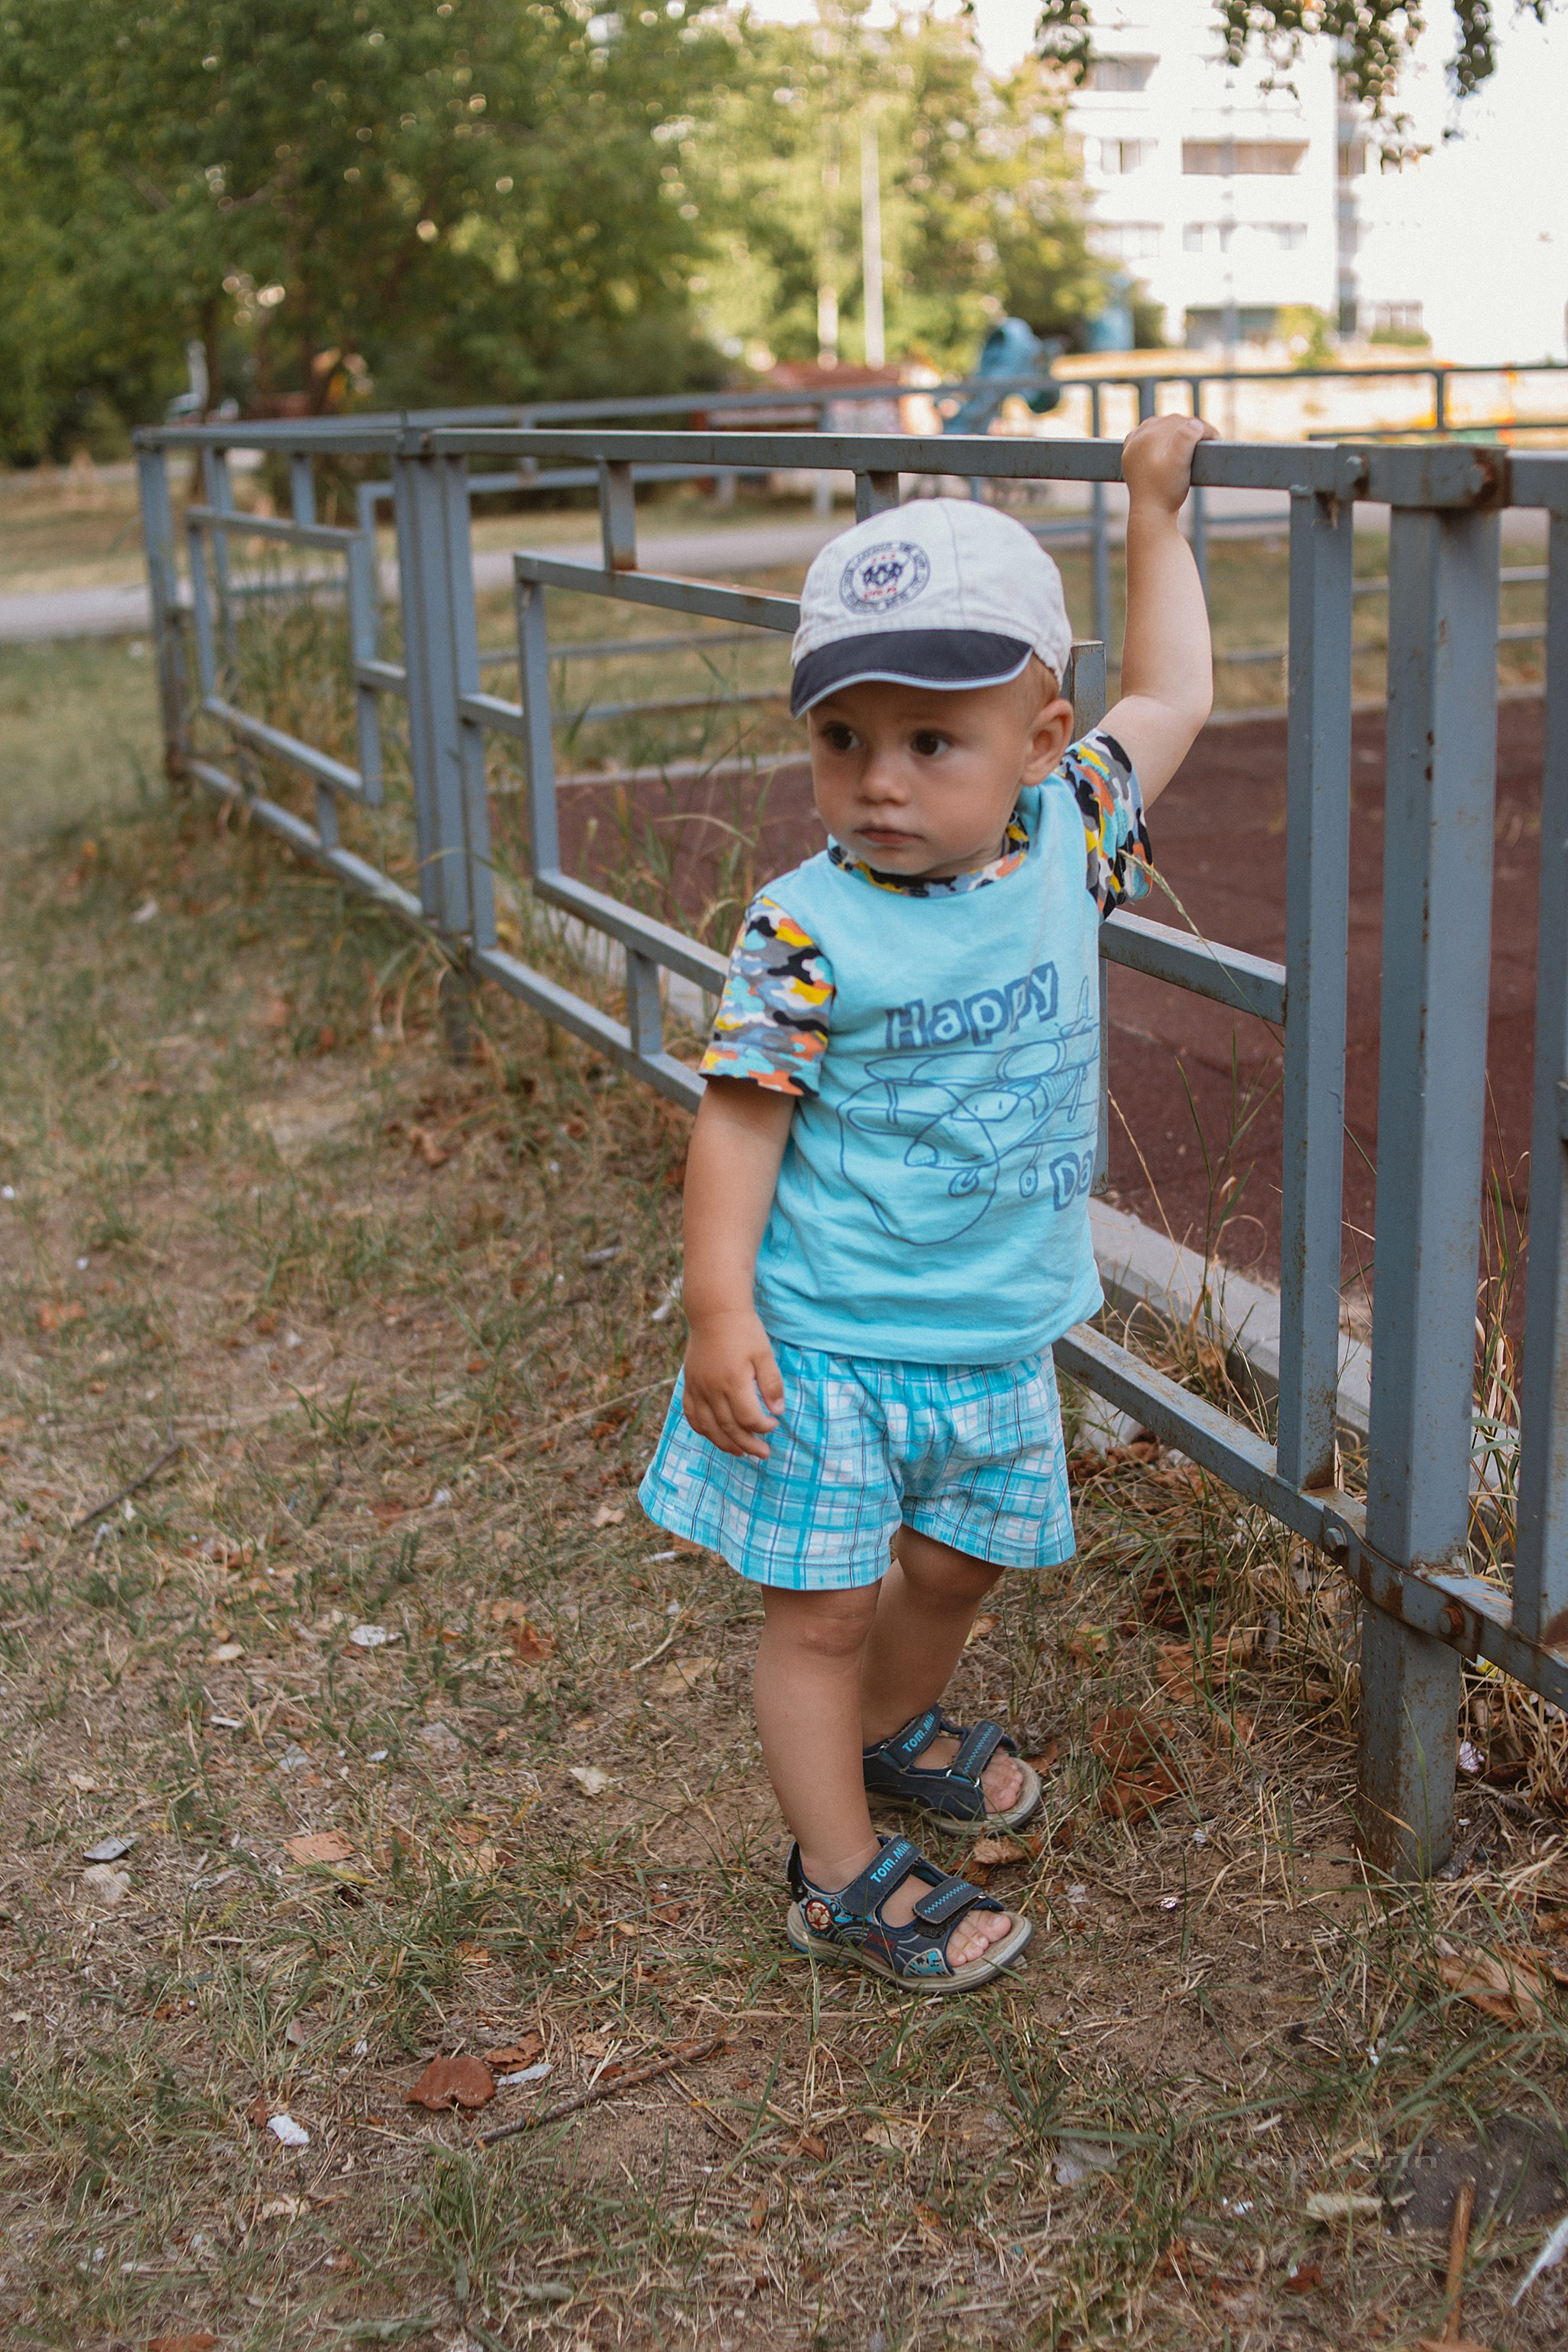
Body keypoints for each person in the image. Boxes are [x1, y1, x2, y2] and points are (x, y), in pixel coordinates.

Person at [639, 413, 1217, 1990]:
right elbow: (742, 1120)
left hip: (995, 1329)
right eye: (843, 741)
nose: (877, 783)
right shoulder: (801, 926)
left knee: (959, 1566)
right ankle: (835, 1873)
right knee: (818, 1612)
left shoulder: (1070, 830)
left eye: (928, 743)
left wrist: (1153, 512)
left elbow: (1173, 693)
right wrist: (720, 1306)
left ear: (1039, 739)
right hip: (826, 1339)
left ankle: (894, 1730)